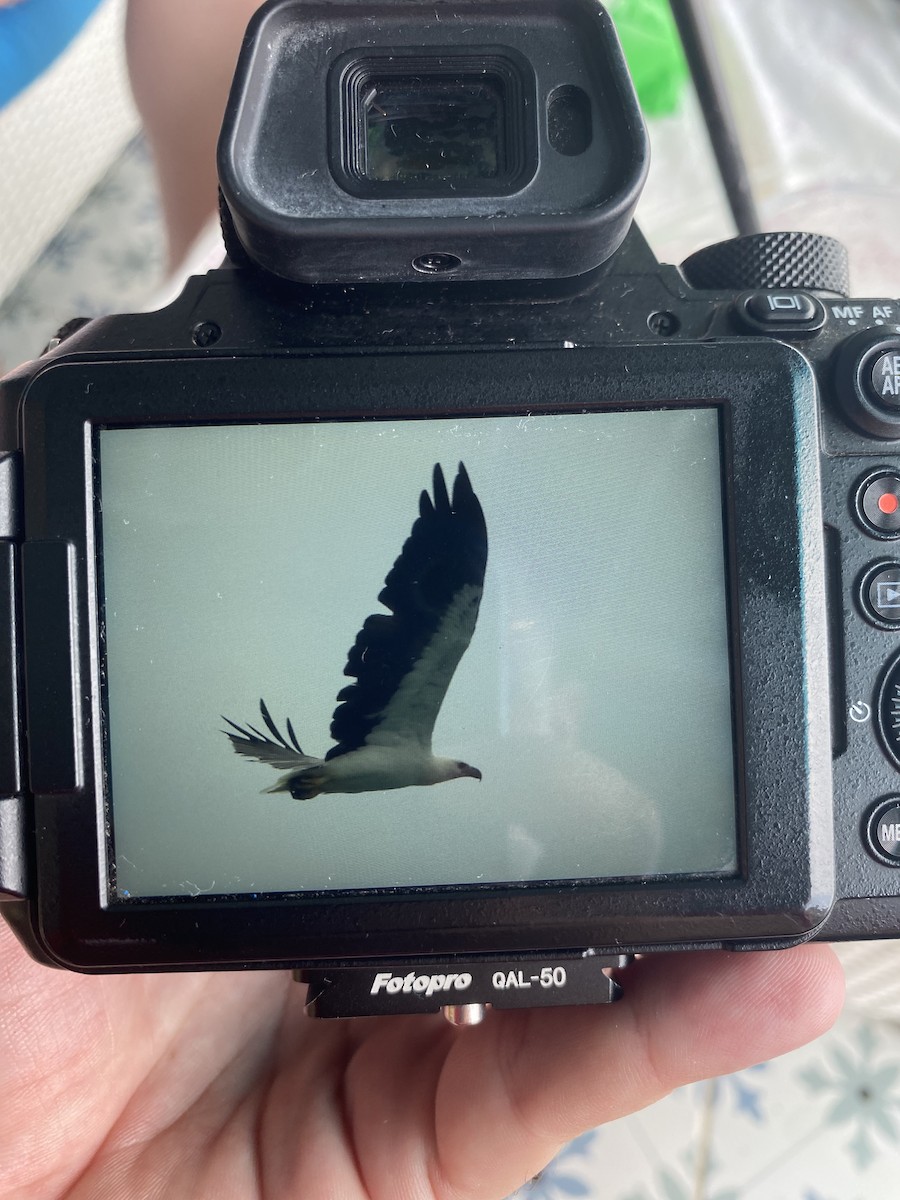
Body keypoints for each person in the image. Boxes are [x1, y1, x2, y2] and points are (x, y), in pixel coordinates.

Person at [1, 3, 846, 1197]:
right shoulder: (413, 735)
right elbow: (431, 605)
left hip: (221, 1050)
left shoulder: (406, 748)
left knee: (193, 57)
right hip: (190, 1057)